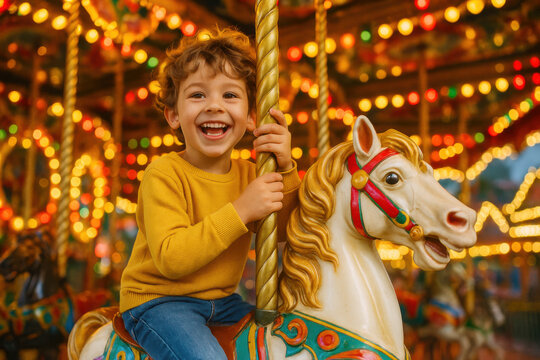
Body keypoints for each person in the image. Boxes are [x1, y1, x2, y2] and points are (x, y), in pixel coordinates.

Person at [119, 27, 300, 360]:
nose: (214, 105)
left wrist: (286, 168)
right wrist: (242, 210)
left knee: (289, 339)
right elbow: (172, 259)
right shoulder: (164, 174)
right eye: (198, 95)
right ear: (173, 116)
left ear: (250, 118)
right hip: (158, 301)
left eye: (229, 95)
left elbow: (288, 232)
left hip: (222, 302)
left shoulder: (252, 174)